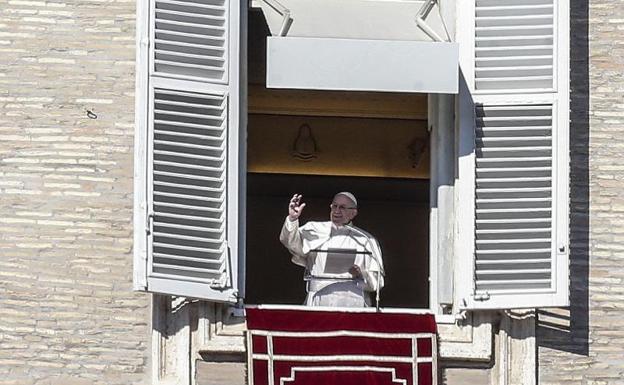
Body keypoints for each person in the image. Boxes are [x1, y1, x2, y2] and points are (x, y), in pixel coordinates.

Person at [279, 192, 384, 307]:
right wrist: (292, 219)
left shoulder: (366, 240)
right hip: (319, 299)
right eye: (334, 206)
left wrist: (361, 274)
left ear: (353, 213)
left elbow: (377, 282)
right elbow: (289, 242)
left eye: (342, 207)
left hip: (353, 302)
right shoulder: (314, 229)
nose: (337, 210)